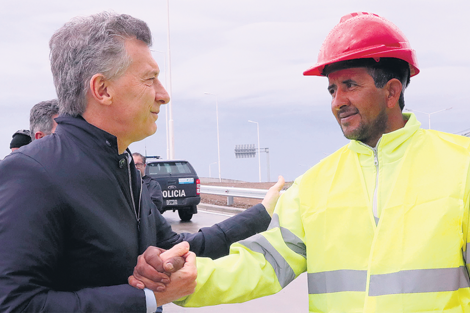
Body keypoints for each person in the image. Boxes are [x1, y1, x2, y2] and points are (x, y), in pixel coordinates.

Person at [130, 12, 470, 312]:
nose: (338, 101)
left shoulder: (461, 167)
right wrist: (189, 279)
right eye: (332, 90)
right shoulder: (315, 185)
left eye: (349, 85)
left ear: (392, 92)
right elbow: (262, 263)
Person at [0, 12, 282, 313]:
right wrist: (148, 299)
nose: (164, 95)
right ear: (103, 90)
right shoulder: (33, 173)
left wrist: (262, 213)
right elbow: (15, 303)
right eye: (150, 80)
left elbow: (179, 245)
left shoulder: (122, 169)